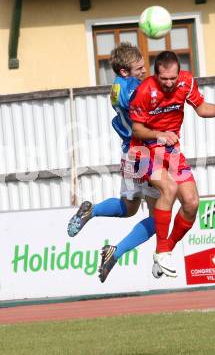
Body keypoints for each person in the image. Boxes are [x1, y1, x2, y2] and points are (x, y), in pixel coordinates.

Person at [129, 51, 215, 277]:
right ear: (156, 75)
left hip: (170, 150)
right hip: (141, 150)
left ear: (178, 73)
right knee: (167, 189)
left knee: (192, 203)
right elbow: (137, 129)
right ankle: (161, 252)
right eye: (164, 79)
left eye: (173, 78)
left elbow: (201, 108)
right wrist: (160, 134)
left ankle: (164, 252)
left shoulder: (187, 82)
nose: (170, 83)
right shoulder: (144, 91)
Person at [67, 43, 162, 282]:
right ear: (124, 71)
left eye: (144, 65)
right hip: (145, 153)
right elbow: (149, 112)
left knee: (128, 208)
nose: (144, 70)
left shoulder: (117, 88)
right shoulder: (134, 90)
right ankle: (117, 252)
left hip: (129, 153)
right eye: (139, 68)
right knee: (161, 215)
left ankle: (92, 211)